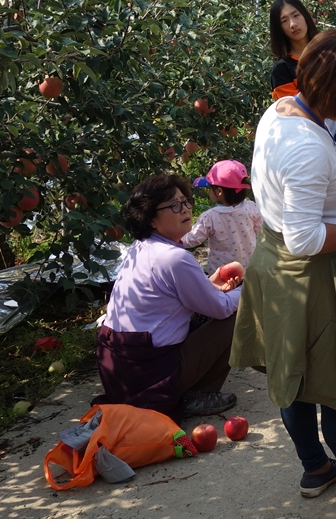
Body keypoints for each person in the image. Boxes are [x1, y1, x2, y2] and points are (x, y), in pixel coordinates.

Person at [231, 30, 336, 507]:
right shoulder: (306, 146)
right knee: (331, 381)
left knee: (292, 376)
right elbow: (305, 236)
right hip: (306, 272)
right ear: (334, 89)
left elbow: (299, 193)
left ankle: (316, 468)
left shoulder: (282, 114)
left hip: (273, 261)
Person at [96, 173, 243, 421]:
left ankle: (190, 389)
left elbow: (169, 299)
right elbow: (219, 309)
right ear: (151, 218)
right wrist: (248, 289)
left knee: (216, 312)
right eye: (174, 205)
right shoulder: (174, 258)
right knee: (236, 315)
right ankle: (197, 394)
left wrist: (209, 285)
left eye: (185, 202)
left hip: (120, 373)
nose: (185, 209)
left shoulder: (141, 248)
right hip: (149, 374)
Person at [181, 159, 261, 276]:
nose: (208, 191)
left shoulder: (209, 217)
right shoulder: (251, 208)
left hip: (222, 276)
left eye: (209, 188)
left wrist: (171, 237)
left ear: (219, 191)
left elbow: (191, 239)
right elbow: (260, 228)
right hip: (249, 270)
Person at [269, 0, 317, 101]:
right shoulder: (282, 69)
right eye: (284, 21)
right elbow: (293, 111)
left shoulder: (329, 51)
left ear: (305, 15)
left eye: (296, 15)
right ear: (279, 28)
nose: (293, 24)